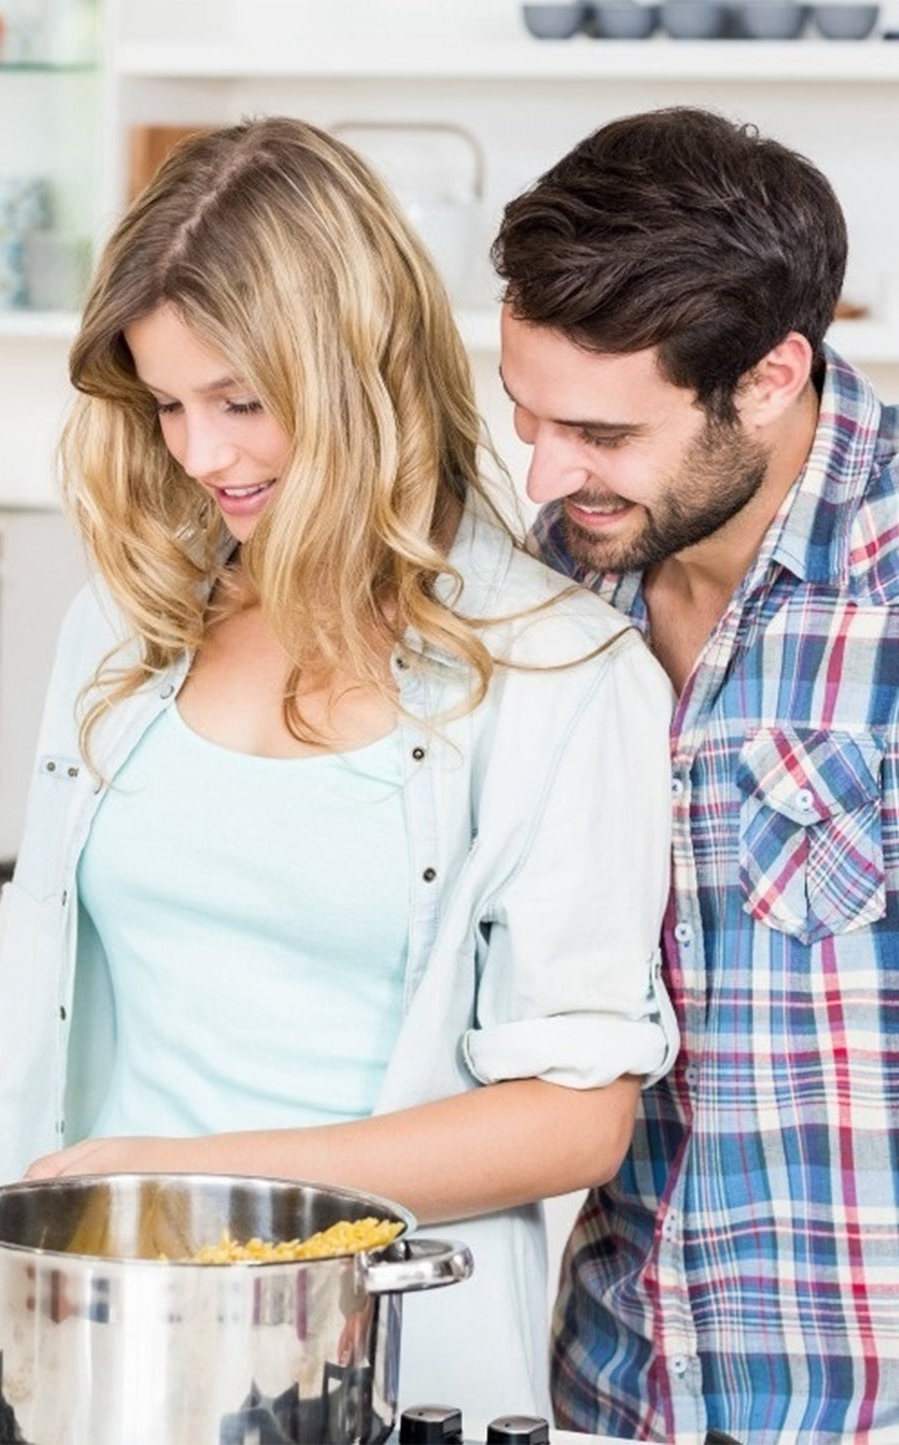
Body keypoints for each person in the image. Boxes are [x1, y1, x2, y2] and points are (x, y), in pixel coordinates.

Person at [0, 116, 677, 1423]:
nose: (201, 454)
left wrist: (185, 1186)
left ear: (364, 369)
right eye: (165, 403)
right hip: (79, 1352)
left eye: (239, 400)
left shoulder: (558, 673)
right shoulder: (124, 630)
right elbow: (78, 996)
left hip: (358, 1370)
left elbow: (572, 1117)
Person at [492, 106, 899, 1443]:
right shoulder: (555, 587)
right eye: (526, 413)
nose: (545, 472)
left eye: (600, 431)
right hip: (612, 1390)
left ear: (770, 377)